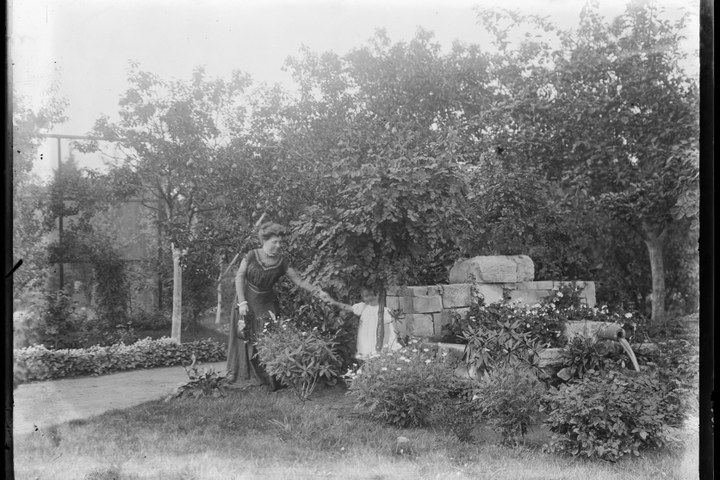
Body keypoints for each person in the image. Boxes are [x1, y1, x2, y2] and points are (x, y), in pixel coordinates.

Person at [227, 222, 330, 390]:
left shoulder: (282, 261)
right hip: (246, 300)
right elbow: (239, 277)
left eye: (280, 242)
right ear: (264, 240)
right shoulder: (252, 255)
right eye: (275, 241)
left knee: (266, 339)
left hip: (267, 303)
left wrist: (318, 292)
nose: (278, 245)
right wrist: (242, 302)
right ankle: (245, 376)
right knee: (244, 336)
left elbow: (300, 281)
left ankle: (269, 379)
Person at [326, 286, 400, 360]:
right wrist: (334, 302)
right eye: (366, 296)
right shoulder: (363, 307)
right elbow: (347, 307)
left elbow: (387, 330)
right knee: (368, 358)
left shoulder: (384, 310)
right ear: (363, 297)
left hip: (380, 339)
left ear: (378, 294)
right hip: (367, 340)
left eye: (372, 295)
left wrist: (385, 346)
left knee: (380, 358)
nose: (370, 298)